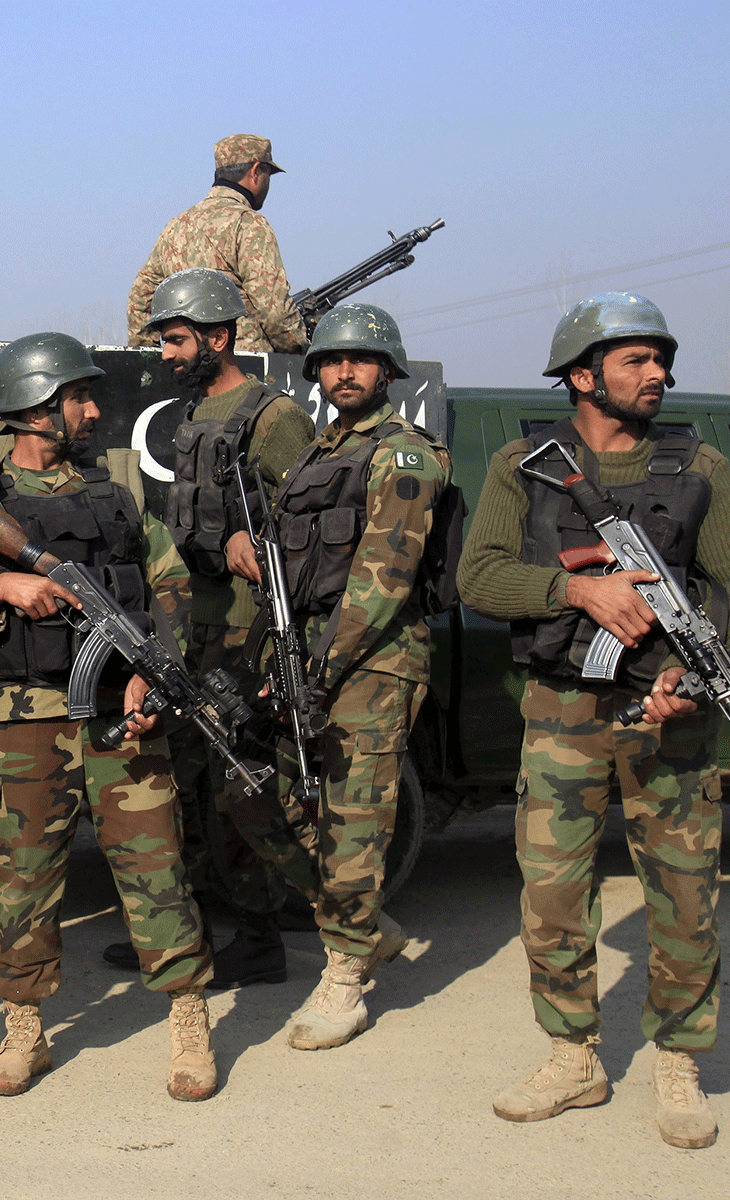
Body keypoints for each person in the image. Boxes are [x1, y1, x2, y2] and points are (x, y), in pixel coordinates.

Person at [458, 292, 730, 1149]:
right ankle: (573, 1055)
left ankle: (678, 1056)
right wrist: (575, 589)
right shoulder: (522, 464)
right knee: (552, 892)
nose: (658, 373)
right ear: (582, 375)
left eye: (661, 358)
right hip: (562, 709)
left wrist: (686, 679)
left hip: (671, 717)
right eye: (635, 360)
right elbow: (478, 577)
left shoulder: (699, 466)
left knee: (684, 894)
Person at [0, 331, 218, 1103]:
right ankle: (24, 1029)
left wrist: (154, 674)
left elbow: (172, 586)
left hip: (122, 711)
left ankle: (188, 1016)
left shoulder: (115, 499)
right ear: (37, 408)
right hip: (21, 717)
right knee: (25, 876)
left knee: (155, 865)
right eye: (79, 398)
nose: (92, 410)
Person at [226, 304, 448, 1049]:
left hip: (374, 659)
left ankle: (345, 978)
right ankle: (360, 924)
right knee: (253, 793)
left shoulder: (405, 454)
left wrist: (321, 668)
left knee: (353, 817)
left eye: (360, 359)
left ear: (386, 370)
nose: (344, 371)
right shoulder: (316, 457)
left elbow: (386, 576)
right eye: (331, 360)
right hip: (306, 653)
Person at [117, 267, 314, 986]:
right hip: (194, 628)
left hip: (245, 634)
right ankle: (193, 928)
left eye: (175, 340)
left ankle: (260, 936)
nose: (166, 355)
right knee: (188, 779)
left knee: (239, 788)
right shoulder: (198, 410)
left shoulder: (274, 418)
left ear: (219, 336)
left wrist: (255, 542)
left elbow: (313, 531)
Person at [128, 134, 307, 355]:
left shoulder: (175, 227)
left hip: (190, 371)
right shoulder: (249, 223)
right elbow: (274, 310)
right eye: (268, 174)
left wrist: (152, 360)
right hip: (243, 370)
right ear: (256, 172)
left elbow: (139, 299)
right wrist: (303, 353)